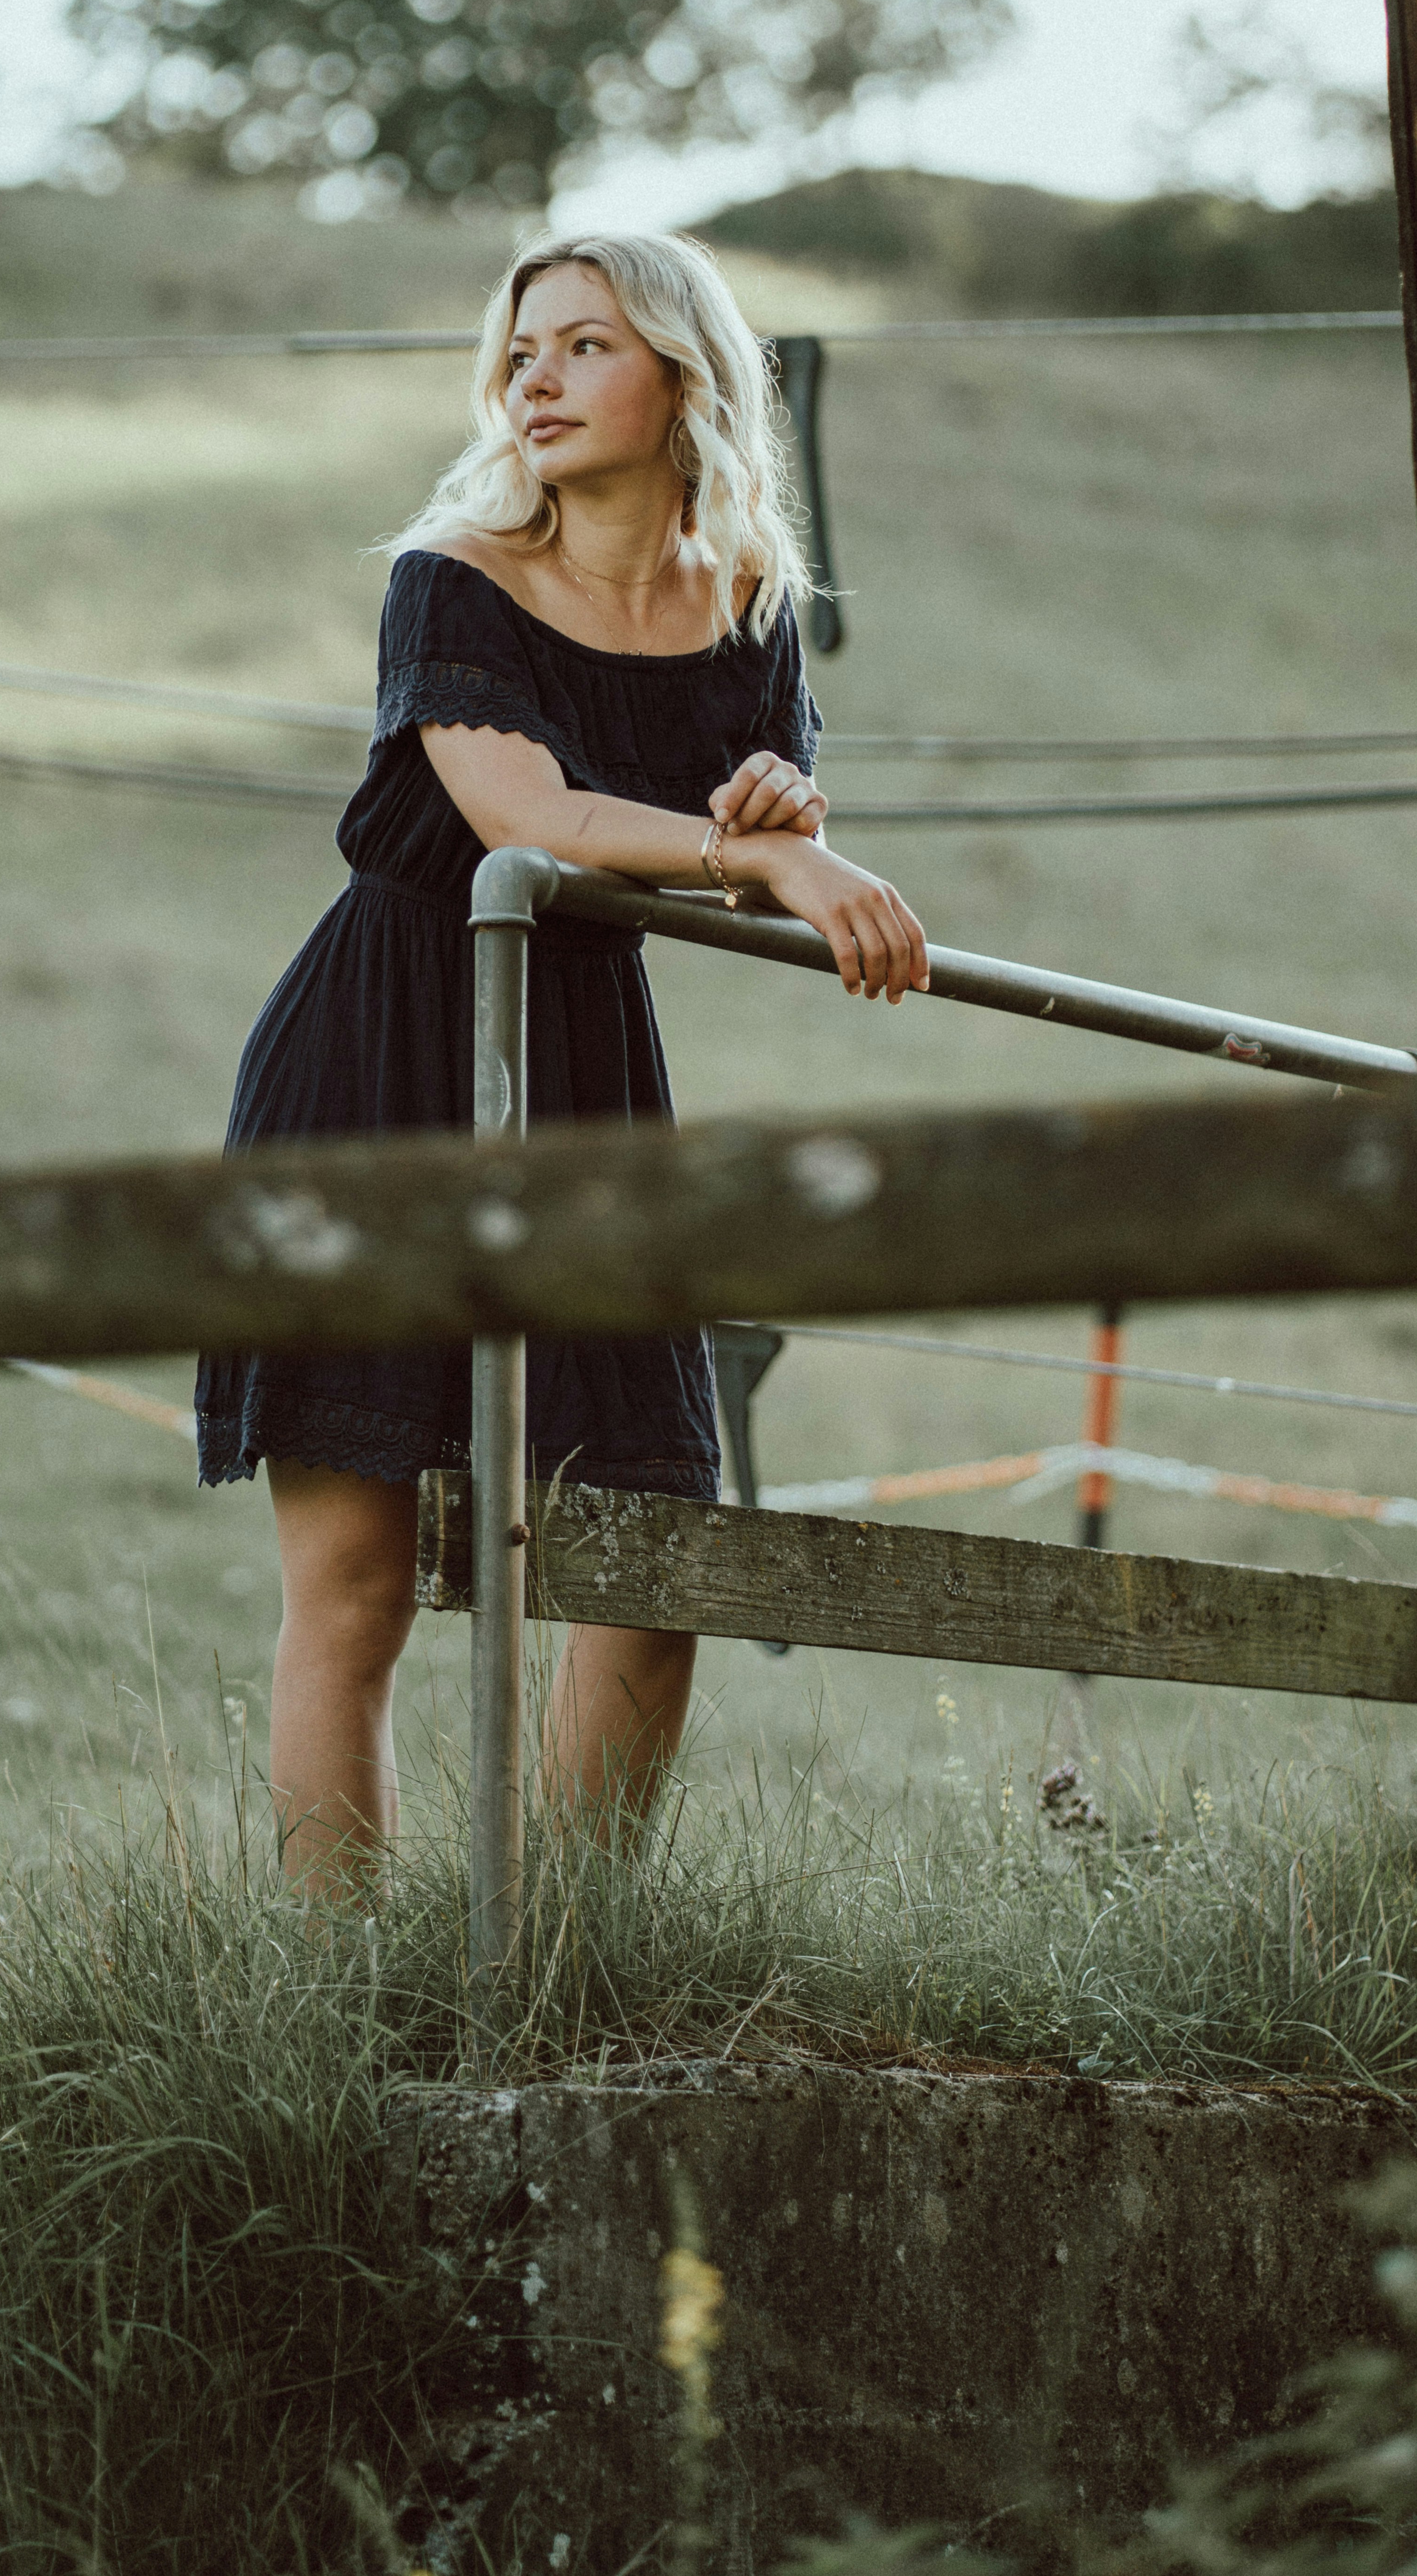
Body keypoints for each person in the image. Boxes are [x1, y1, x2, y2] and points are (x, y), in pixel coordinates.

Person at [196, 229, 929, 1887]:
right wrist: (761, 853)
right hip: (378, 1059)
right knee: (359, 1588)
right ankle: (345, 2003)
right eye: (522, 351)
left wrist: (776, 819)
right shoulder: (449, 576)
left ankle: (567, 1975)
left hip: (588, 1067)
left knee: (653, 1560)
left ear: (686, 374)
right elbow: (526, 820)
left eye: (585, 345)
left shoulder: (752, 608)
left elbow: (755, 819)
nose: (536, 378)